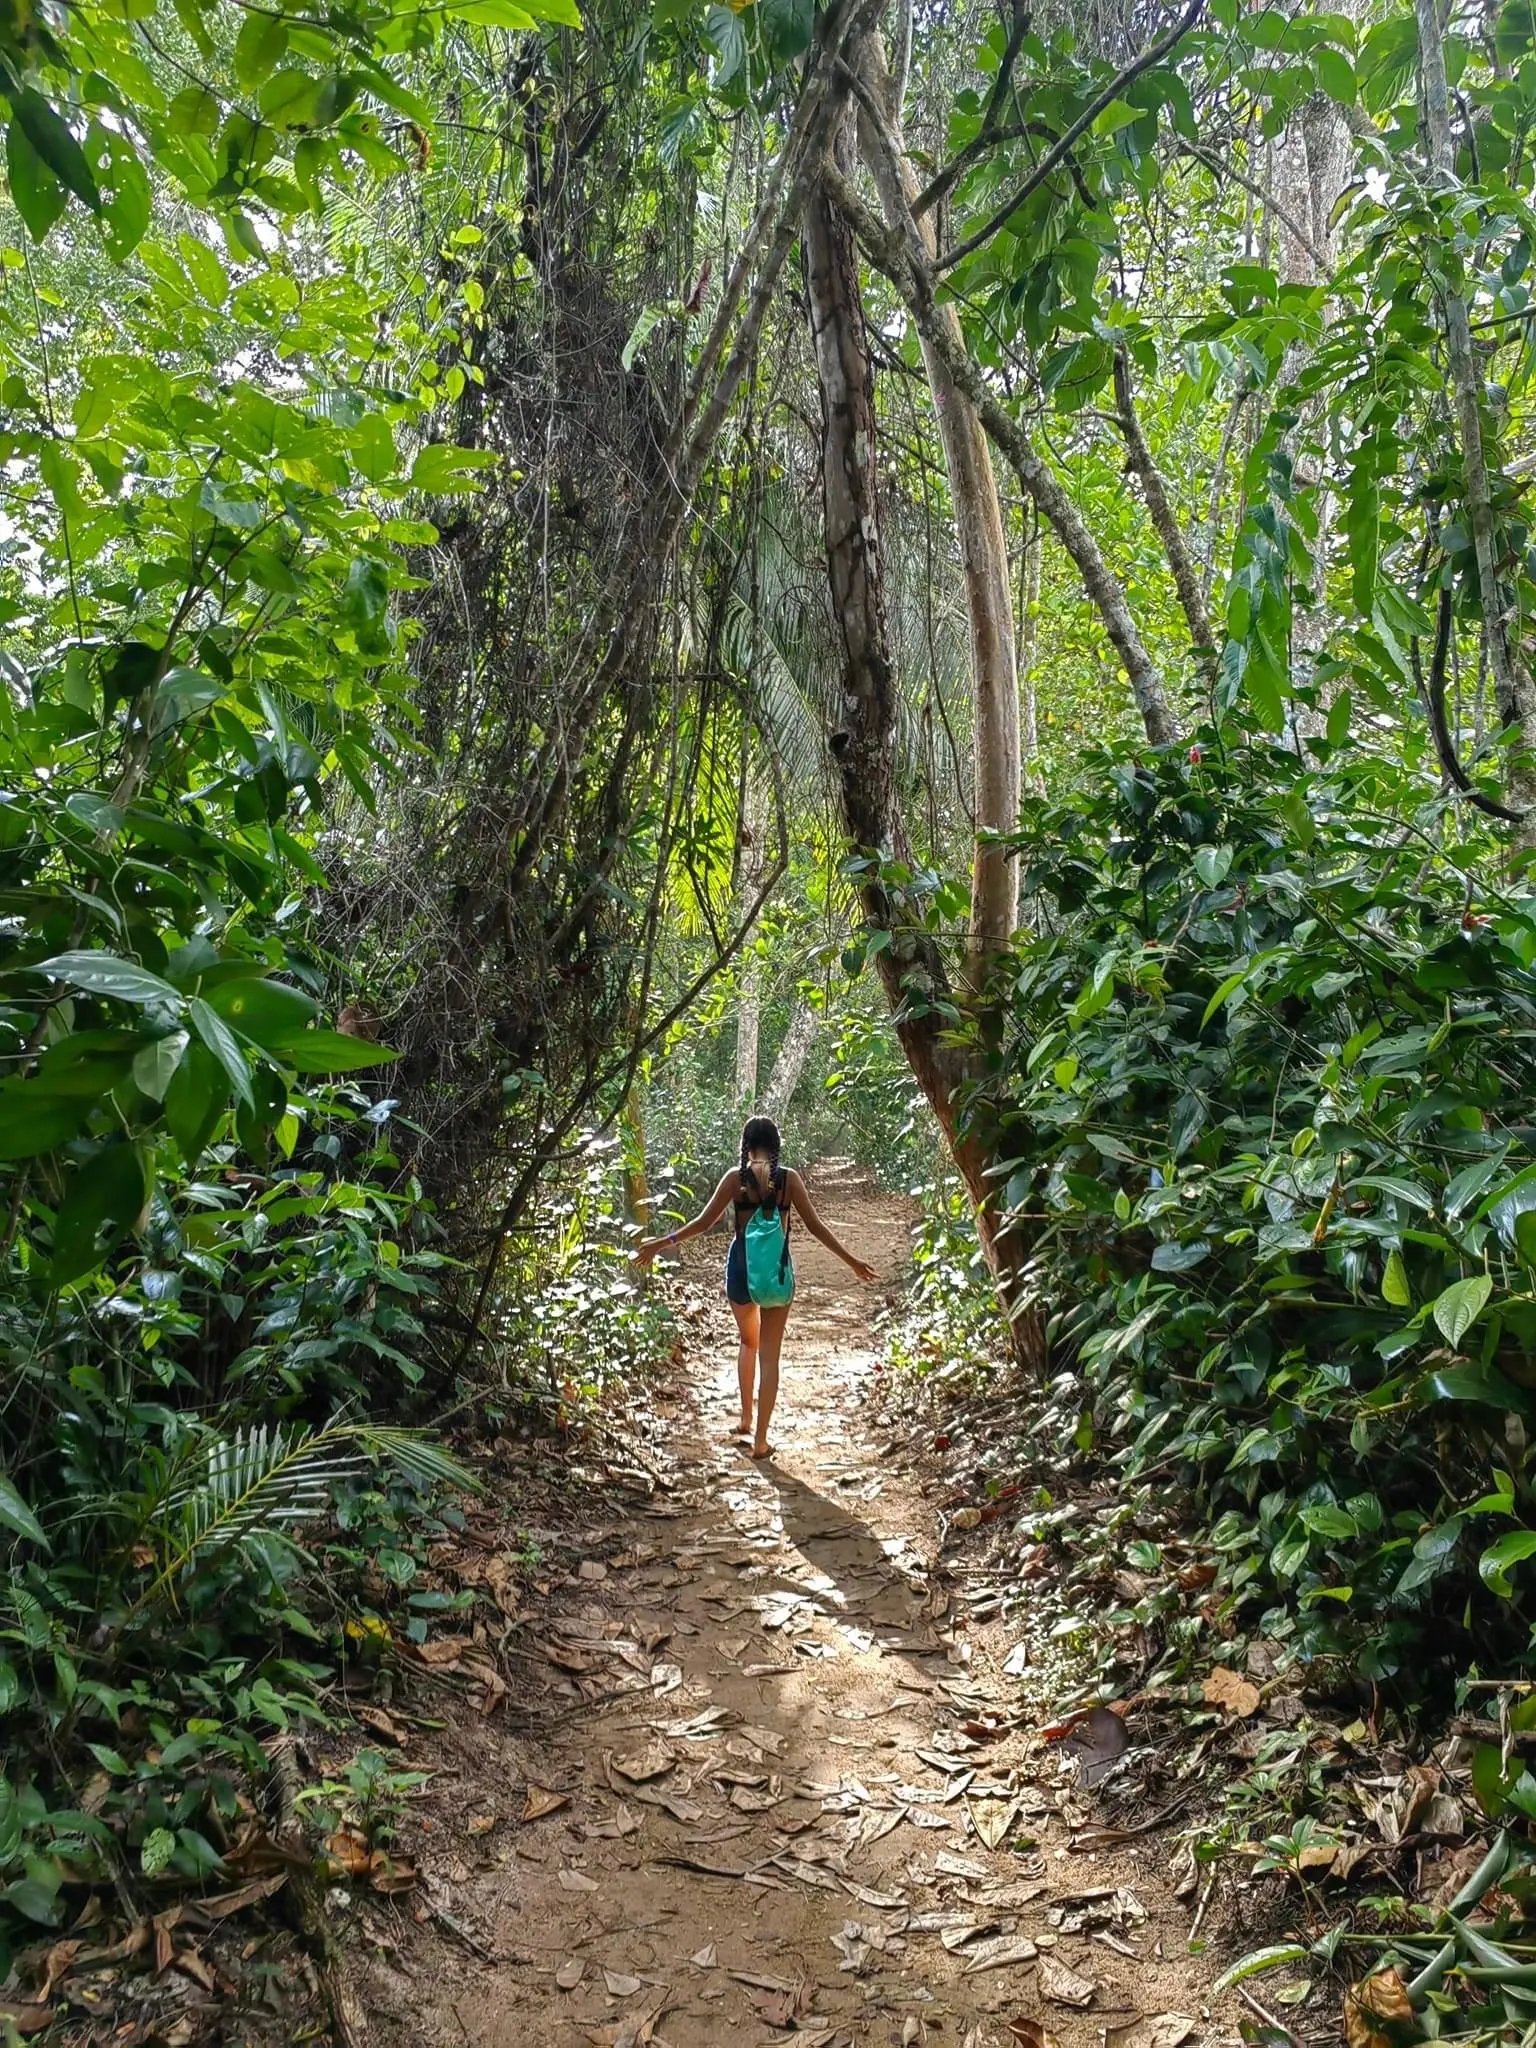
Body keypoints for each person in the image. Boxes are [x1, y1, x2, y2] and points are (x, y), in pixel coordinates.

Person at [632, 1115, 877, 1459]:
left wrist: (662, 1242)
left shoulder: (736, 1180)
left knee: (748, 1342)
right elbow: (816, 1227)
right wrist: (851, 1261)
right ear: (776, 1145)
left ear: (745, 1145)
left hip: (741, 1272)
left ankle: (745, 1418)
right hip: (776, 1275)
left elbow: (704, 1223)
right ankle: (761, 1439)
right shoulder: (789, 1181)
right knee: (769, 1355)